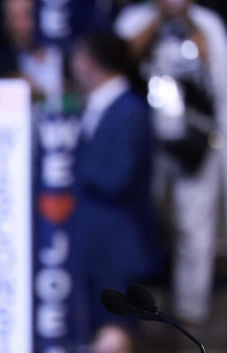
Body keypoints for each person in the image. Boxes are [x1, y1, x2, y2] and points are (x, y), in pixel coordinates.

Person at [116, 0, 227, 325]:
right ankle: (136, 309)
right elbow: (119, 62)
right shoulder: (135, 20)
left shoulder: (206, 23)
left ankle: (189, 311)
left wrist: (186, 21)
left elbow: (220, 72)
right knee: (141, 220)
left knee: (194, 225)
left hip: (195, 141)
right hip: (145, 142)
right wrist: (159, 19)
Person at [69, 31, 160, 333]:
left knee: (118, 342)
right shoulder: (92, 106)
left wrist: (65, 163)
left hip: (117, 248)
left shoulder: (129, 110)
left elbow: (116, 177)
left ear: (91, 62)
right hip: (91, 246)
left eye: (78, 56)